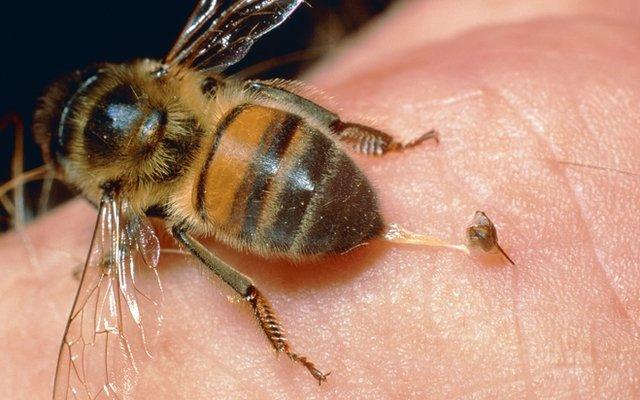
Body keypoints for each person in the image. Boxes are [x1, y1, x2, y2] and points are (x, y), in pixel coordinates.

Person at [2, 0, 639, 398]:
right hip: (266, 144)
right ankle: (382, 147)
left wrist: (111, 258)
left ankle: (278, 340)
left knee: (185, 230)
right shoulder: (173, 71)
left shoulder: (115, 195)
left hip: (240, 203)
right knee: (257, 91)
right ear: (146, 76)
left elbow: (127, 256)